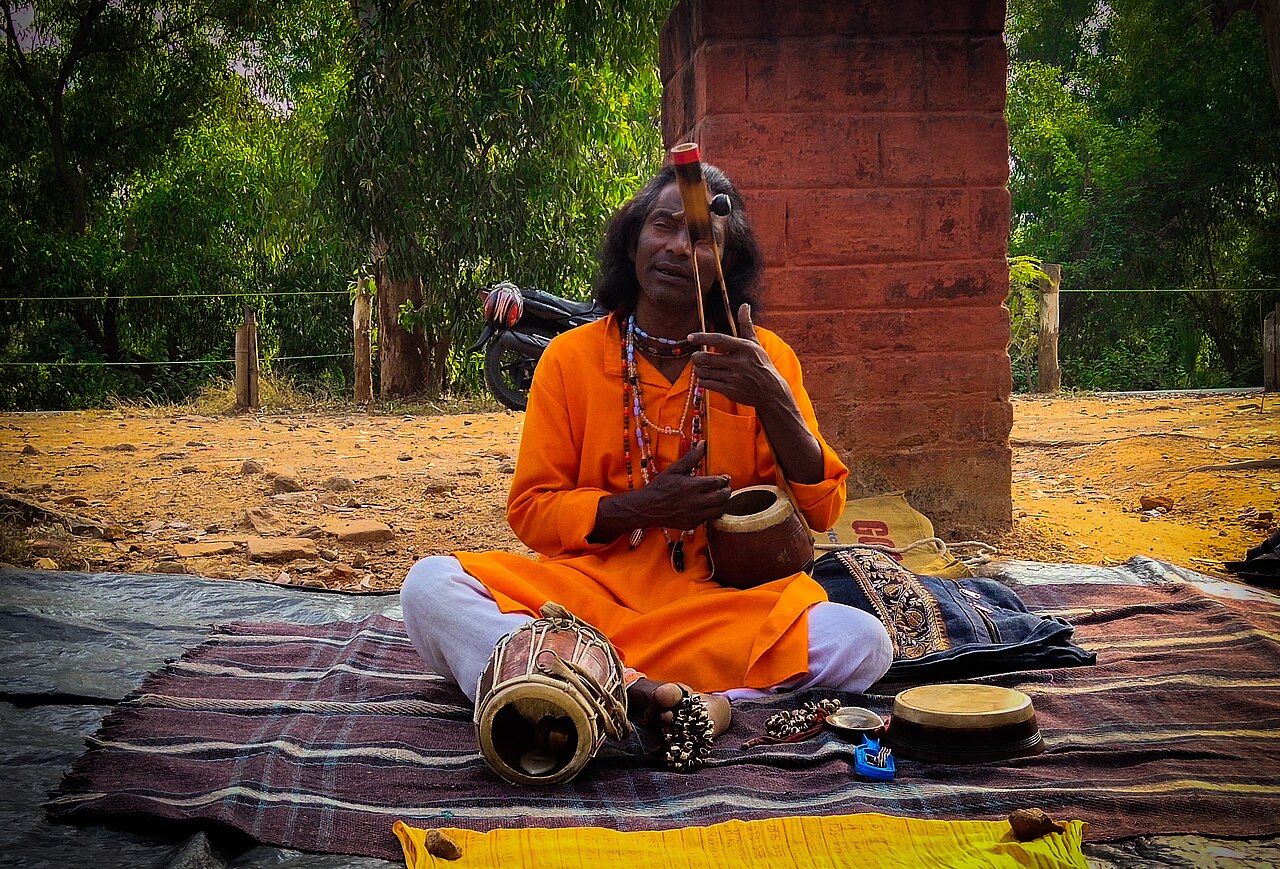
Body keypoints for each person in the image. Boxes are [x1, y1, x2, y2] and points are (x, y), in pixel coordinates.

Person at [401, 161, 892, 747]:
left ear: (724, 267)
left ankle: (610, 688)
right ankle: (652, 693)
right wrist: (643, 507)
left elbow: (822, 512)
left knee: (863, 642)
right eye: (664, 226)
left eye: (703, 238)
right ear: (633, 240)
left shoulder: (766, 359)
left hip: (715, 608)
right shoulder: (569, 358)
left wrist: (772, 398)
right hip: (586, 598)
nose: (680, 248)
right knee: (429, 587)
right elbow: (532, 511)